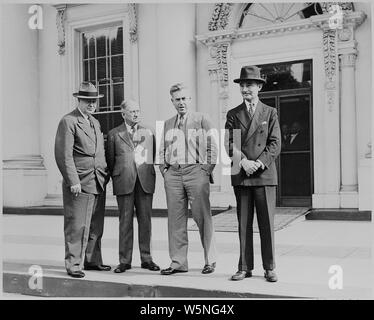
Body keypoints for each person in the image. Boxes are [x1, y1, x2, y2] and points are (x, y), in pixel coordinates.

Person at [224, 66, 281, 282]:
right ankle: (244, 266)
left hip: (264, 175)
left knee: (266, 224)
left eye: (250, 84)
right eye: (243, 85)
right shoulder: (233, 114)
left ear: (259, 87)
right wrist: (244, 162)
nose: (246, 88)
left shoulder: (270, 112)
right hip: (242, 174)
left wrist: (258, 163)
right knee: (243, 224)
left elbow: (275, 144)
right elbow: (229, 143)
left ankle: (270, 267)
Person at [159, 83, 218, 275]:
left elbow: (213, 147)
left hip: (196, 172)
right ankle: (178, 262)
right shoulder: (168, 123)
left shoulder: (202, 119)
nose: (181, 102)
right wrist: (165, 170)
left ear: (190, 99)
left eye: (184, 98)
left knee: (203, 218)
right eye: (177, 99)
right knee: (175, 220)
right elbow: (162, 150)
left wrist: (205, 170)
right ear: (172, 102)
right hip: (174, 175)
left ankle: (210, 260)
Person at [55, 82, 111, 278]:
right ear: (79, 100)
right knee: (77, 224)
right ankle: (74, 264)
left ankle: (92, 260)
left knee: (96, 224)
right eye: (87, 100)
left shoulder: (94, 122)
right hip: (80, 180)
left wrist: (104, 174)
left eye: (94, 101)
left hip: (97, 180)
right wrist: (73, 181)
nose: (91, 104)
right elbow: (64, 155)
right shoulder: (68, 121)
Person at [106, 99, 160, 273]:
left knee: (146, 222)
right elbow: (110, 160)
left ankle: (147, 258)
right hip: (124, 181)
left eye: (138, 111)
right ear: (123, 114)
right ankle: (124, 260)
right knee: (125, 222)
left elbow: (155, 155)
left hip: (145, 181)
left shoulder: (150, 131)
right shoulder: (114, 134)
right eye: (132, 111)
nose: (136, 114)